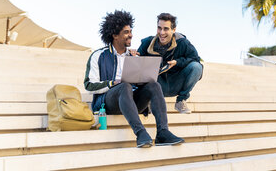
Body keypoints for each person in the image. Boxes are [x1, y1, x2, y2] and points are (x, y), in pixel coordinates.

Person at [84, 10, 184, 148]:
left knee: (154, 85)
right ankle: (141, 133)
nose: (131, 35)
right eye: (126, 32)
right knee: (124, 86)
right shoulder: (98, 55)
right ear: (114, 35)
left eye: (130, 31)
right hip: (108, 102)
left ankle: (163, 132)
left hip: (131, 101)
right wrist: (113, 83)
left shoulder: (134, 57)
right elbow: (89, 85)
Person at [138, 13, 203, 114]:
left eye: (166, 29)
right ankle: (148, 101)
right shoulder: (147, 43)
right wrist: (132, 56)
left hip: (176, 83)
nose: (162, 32)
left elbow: (195, 59)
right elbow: (136, 66)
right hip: (157, 85)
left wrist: (178, 62)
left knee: (197, 67)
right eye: (159, 28)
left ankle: (181, 101)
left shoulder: (182, 42)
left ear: (174, 29)